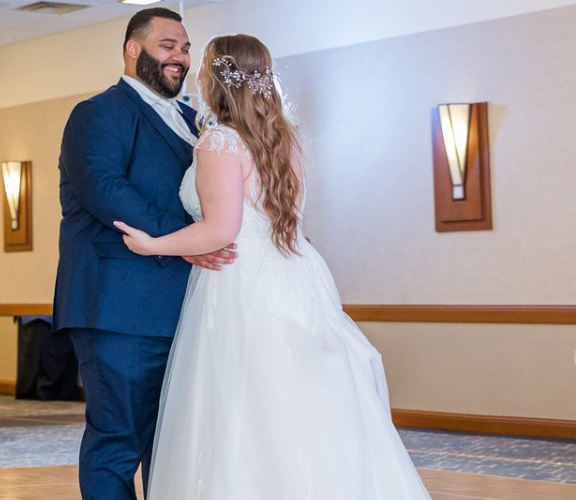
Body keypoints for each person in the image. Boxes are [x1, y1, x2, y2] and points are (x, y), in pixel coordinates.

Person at [109, 34, 431, 499]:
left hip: (241, 282)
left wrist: (152, 244)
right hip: (294, 274)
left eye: (202, 63)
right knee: (296, 401)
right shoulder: (285, 139)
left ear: (216, 75)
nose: (196, 71)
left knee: (244, 405)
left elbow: (222, 230)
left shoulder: (220, 141)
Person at [51, 8, 239, 499]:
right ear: (133, 49)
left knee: (173, 443)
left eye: (185, 47)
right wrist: (189, 239)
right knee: (118, 440)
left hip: (187, 309)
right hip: (120, 308)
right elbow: (106, 191)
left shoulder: (196, 120)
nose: (179, 56)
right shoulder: (97, 113)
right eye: (167, 45)